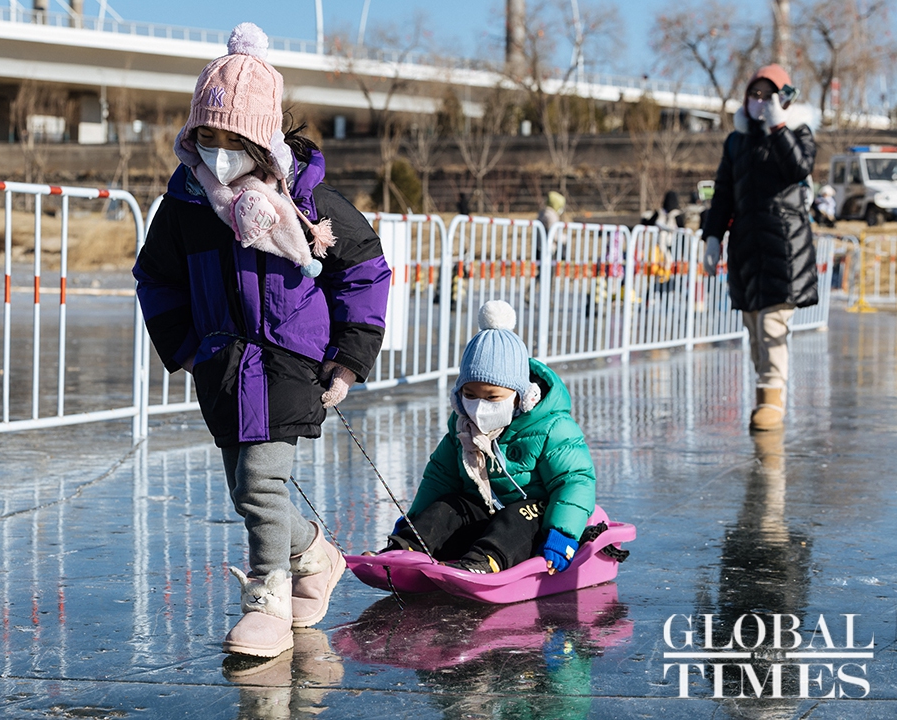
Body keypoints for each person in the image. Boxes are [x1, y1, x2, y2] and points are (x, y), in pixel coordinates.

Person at [134, 23, 390, 659]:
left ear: (263, 138)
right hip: (221, 361)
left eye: (234, 139)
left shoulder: (308, 202)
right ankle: (316, 555)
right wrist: (186, 347)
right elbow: (156, 276)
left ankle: (268, 600)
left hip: (288, 360)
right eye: (208, 137)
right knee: (248, 491)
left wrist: (348, 359)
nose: (220, 152)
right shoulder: (186, 203)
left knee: (259, 484)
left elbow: (364, 271)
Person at [370, 300, 596, 576]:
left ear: (520, 396)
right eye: (470, 395)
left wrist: (563, 532)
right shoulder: (463, 426)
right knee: (450, 505)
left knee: (517, 515)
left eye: (492, 397)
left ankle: (484, 562)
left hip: (535, 517)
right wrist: (416, 521)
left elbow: (574, 480)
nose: (479, 407)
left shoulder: (552, 426)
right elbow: (440, 477)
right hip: (484, 512)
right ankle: (406, 548)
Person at [701, 64, 817, 432]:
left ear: (784, 98)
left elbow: (799, 168)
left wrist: (779, 127)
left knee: (771, 324)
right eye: (755, 94)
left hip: (785, 246)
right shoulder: (736, 141)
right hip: (747, 249)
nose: (761, 101)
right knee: (753, 327)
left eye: (769, 94)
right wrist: (713, 236)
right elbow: (723, 193)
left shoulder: (798, 131)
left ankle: (771, 400)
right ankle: (766, 392)